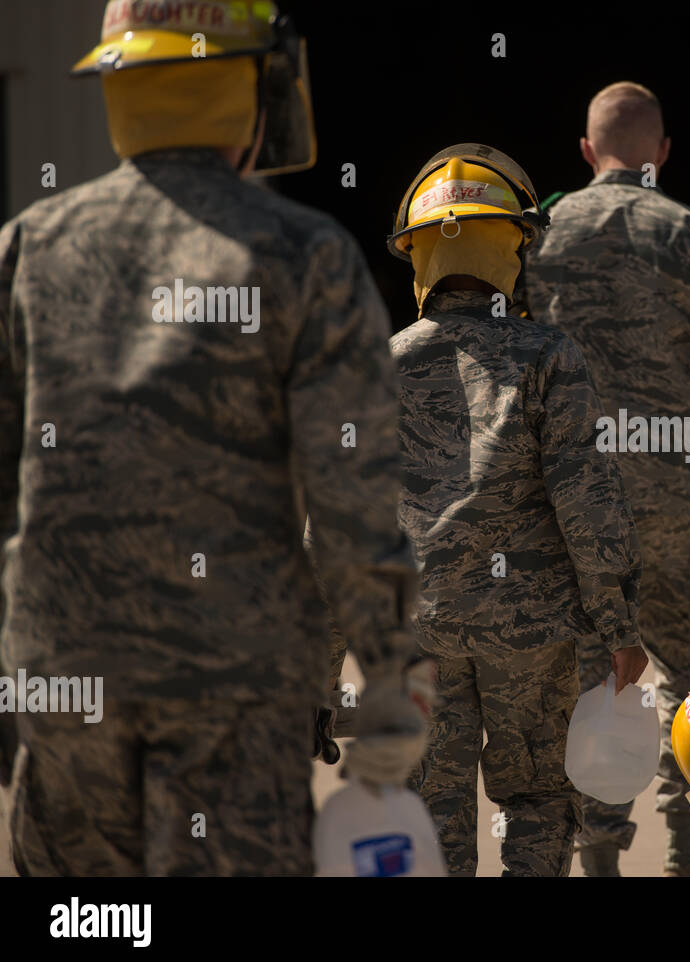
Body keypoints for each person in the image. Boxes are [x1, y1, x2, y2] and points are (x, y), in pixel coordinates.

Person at [0, 1, 427, 875]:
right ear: (256, 88)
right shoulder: (304, 252)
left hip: (61, 671)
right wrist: (385, 681)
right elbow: (350, 495)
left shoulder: (26, 249)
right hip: (228, 685)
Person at [528, 81, 690, 876]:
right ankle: (683, 857)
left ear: (585, 153)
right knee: (688, 678)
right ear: (662, 154)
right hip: (681, 507)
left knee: (584, 674)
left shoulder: (535, 238)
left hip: (568, 499)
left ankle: (596, 856)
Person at [386, 144, 648, 876]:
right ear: (514, 246)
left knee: (432, 806)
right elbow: (587, 505)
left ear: (417, 254)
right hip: (531, 636)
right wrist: (619, 627)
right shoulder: (548, 356)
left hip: (419, 635)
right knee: (535, 800)